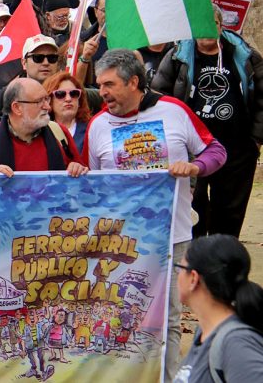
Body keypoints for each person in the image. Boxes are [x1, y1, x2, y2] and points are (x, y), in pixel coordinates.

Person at [85, 50, 228, 381]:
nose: (102, 93)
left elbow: (216, 150)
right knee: (121, 315)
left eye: (109, 84)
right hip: (121, 242)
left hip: (171, 236)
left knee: (169, 318)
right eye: (99, 85)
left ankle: (169, 376)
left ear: (134, 82)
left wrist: (195, 166)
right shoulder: (97, 125)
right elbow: (93, 186)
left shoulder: (174, 111)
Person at [151, 25, 263, 239]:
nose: (206, 31)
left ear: (221, 27)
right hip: (194, 148)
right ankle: (197, 260)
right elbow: (159, 95)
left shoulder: (244, 54)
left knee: (230, 210)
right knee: (194, 204)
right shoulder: (178, 56)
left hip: (237, 147)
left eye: (212, 25)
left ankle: (224, 259)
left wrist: (256, 139)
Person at [173, 234, 263, 383]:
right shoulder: (205, 331)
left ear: (193, 278)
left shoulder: (236, 344)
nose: (177, 275)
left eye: (179, 268)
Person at [0, 78, 87, 176]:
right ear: (17, 108)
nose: (47, 107)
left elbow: (82, 177)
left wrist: (77, 168)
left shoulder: (59, 133)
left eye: (47, 99)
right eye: (39, 101)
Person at [0, 35, 63, 128]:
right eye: (38, 58)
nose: (46, 63)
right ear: (24, 63)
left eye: (52, 58)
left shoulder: (68, 95)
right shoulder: (1, 98)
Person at [43, 72, 90, 152]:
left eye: (74, 94)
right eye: (60, 94)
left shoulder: (91, 129)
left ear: (80, 100)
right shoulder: (41, 132)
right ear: (49, 101)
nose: (68, 99)